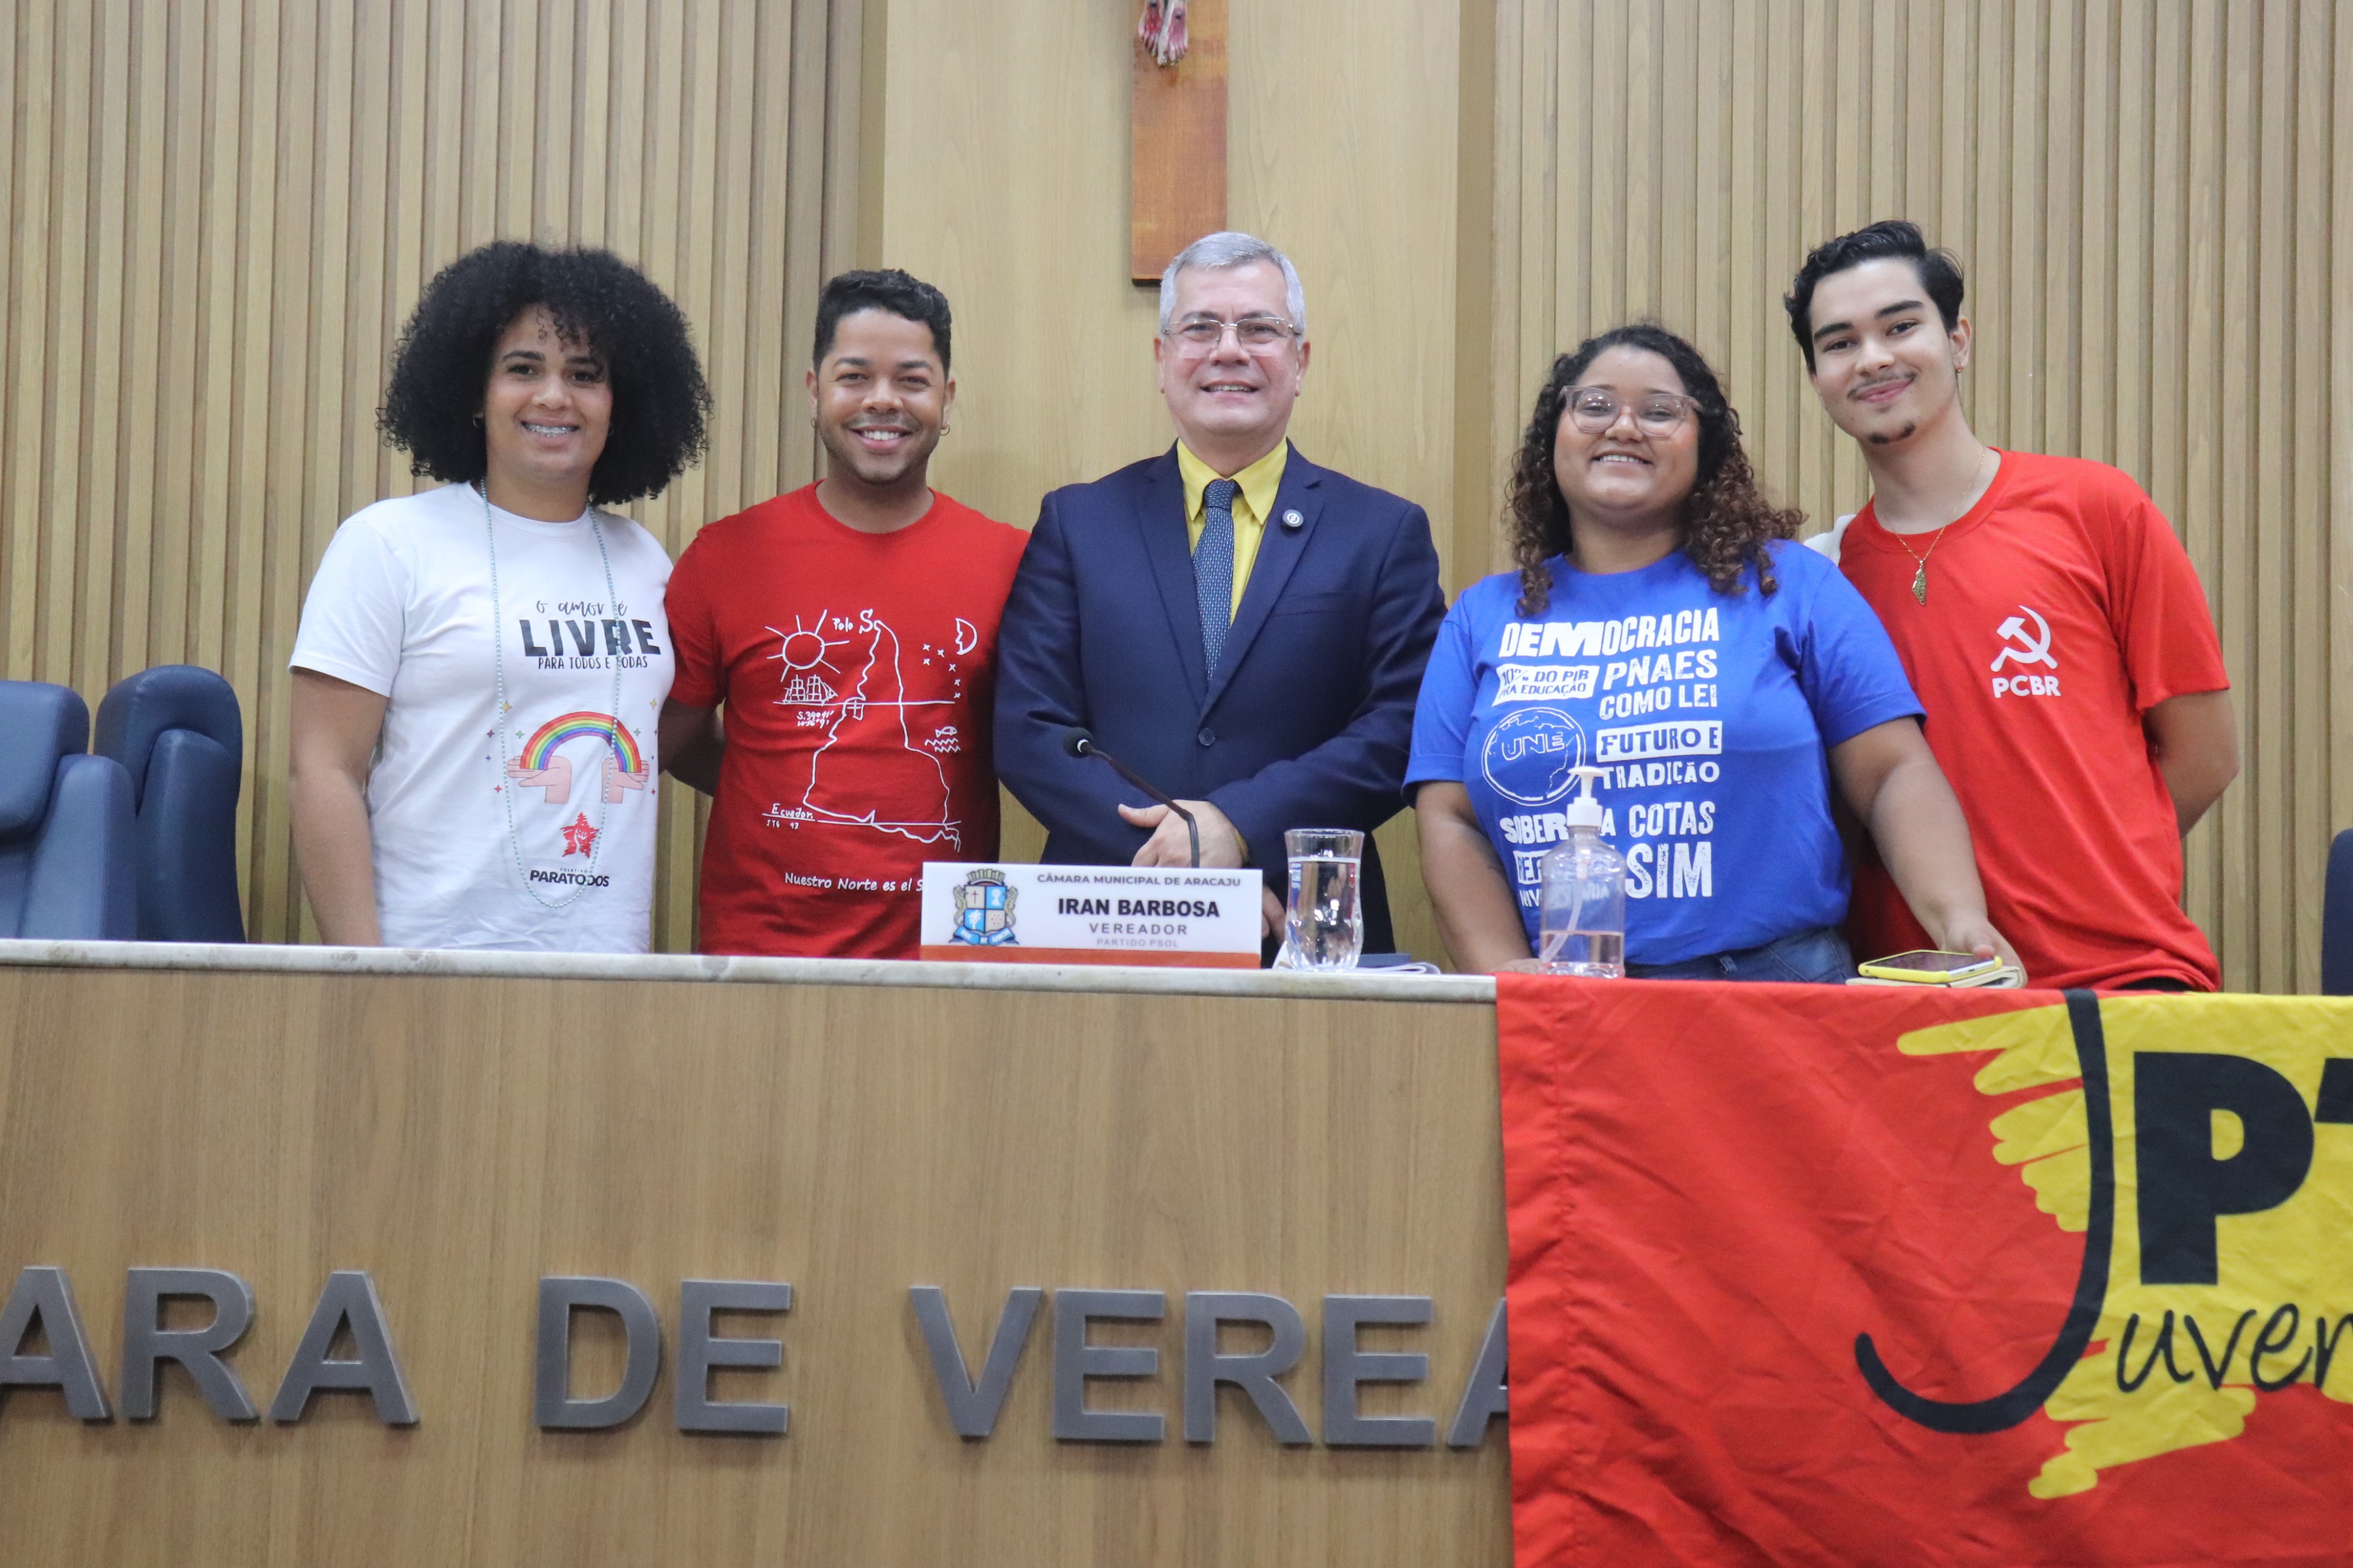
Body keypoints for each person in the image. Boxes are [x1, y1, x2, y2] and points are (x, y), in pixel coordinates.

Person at [1407, 323, 2016, 981]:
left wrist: (1958, 920)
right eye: (1595, 405)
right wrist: (1503, 974)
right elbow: (1450, 819)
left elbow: (1891, 771)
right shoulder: (1481, 617)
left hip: (1774, 984)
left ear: (1706, 447)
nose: (1623, 427)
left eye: (1659, 412)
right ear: (1552, 436)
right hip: (1566, 993)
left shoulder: (1789, 584)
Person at [1787, 220, 2237, 991]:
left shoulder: (2094, 508)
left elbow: (2205, 755)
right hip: (1919, 997)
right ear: (1817, 376)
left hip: (2123, 975)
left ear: (1956, 340)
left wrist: (2097, 869)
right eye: (1839, 343)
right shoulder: (1819, 580)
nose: (1872, 358)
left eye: (1900, 326)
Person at [993, 231, 1445, 952]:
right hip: (1106, 916)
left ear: (1300, 361)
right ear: (1161, 359)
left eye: (1259, 329)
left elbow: (1400, 727)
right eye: (1200, 327)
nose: (1228, 350)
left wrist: (1238, 828)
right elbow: (1029, 730)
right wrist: (1187, 870)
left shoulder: (1381, 532)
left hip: (1301, 921)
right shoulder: (1078, 523)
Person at [287, 241, 708, 952]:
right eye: (522, 369)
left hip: (608, 963)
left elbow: (646, 731)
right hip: (428, 956)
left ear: (620, 403)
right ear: (473, 394)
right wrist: (364, 969)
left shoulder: (643, 560)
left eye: (585, 374)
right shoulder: (388, 544)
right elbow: (323, 769)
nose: (554, 396)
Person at [659, 270, 1027, 957]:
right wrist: (784, 789)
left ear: (946, 399)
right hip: (760, 952)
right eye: (854, 377)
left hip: (945, 955)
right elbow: (672, 739)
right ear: (815, 391)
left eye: (912, 381)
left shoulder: (1012, 562)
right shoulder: (726, 556)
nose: (882, 400)